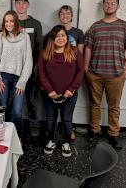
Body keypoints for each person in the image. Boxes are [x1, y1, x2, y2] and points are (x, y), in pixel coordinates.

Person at [84, 0, 126, 150]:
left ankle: (113, 134)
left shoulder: (125, 26)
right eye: (107, 3)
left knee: (114, 106)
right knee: (95, 104)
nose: (109, 5)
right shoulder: (94, 27)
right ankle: (95, 130)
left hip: (116, 75)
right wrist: (86, 69)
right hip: (95, 74)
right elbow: (88, 48)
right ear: (103, 6)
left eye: (113, 3)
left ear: (117, 7)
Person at [38, 25, 84, 157]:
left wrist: (72, 89)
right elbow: (41, 73)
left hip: (69, 94)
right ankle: (51, 141)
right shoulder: (45, 53)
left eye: (63, 35)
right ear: (52, 38)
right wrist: (50, 90)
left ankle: (65, 142)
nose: (60, 38)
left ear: (67, 38)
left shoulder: (74, 52)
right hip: (49, 94)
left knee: (66, 119)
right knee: (51, 119)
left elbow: (80, 72)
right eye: (57, 35)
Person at [0, 10, 33, 138]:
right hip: (3, 77)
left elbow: (28, 60)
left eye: (11, 20)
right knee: (3, 108)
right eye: (6, 21)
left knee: (17, 110)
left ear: (16, 22)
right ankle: (2, 136)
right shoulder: (1, 36)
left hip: (18, 78)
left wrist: (22, 82)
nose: (9, 23)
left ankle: (17, 137)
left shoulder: (25, 37)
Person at [14, 0, 43, 134]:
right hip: (13, 69)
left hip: (30, 69)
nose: (21, 5)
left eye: (24, 3)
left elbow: (39, 47)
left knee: (31, 99)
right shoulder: (10, 22)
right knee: (13, 99)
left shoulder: (36, 24)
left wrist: (33, 66)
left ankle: (34, 124)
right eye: (18, 3)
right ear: (15, 5)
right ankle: (13, 125)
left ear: (28, 5)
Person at [58, 4, 85, 140]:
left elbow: (80, 54)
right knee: (54, 104)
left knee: (68, 106)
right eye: (62, 13)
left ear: (72, 16)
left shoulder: (78, 33)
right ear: (59, 16)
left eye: (67, 13)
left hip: (72, 74)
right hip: (57, 74)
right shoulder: (55, 31)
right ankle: (53, 129)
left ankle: (68, 130)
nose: (65, 16)